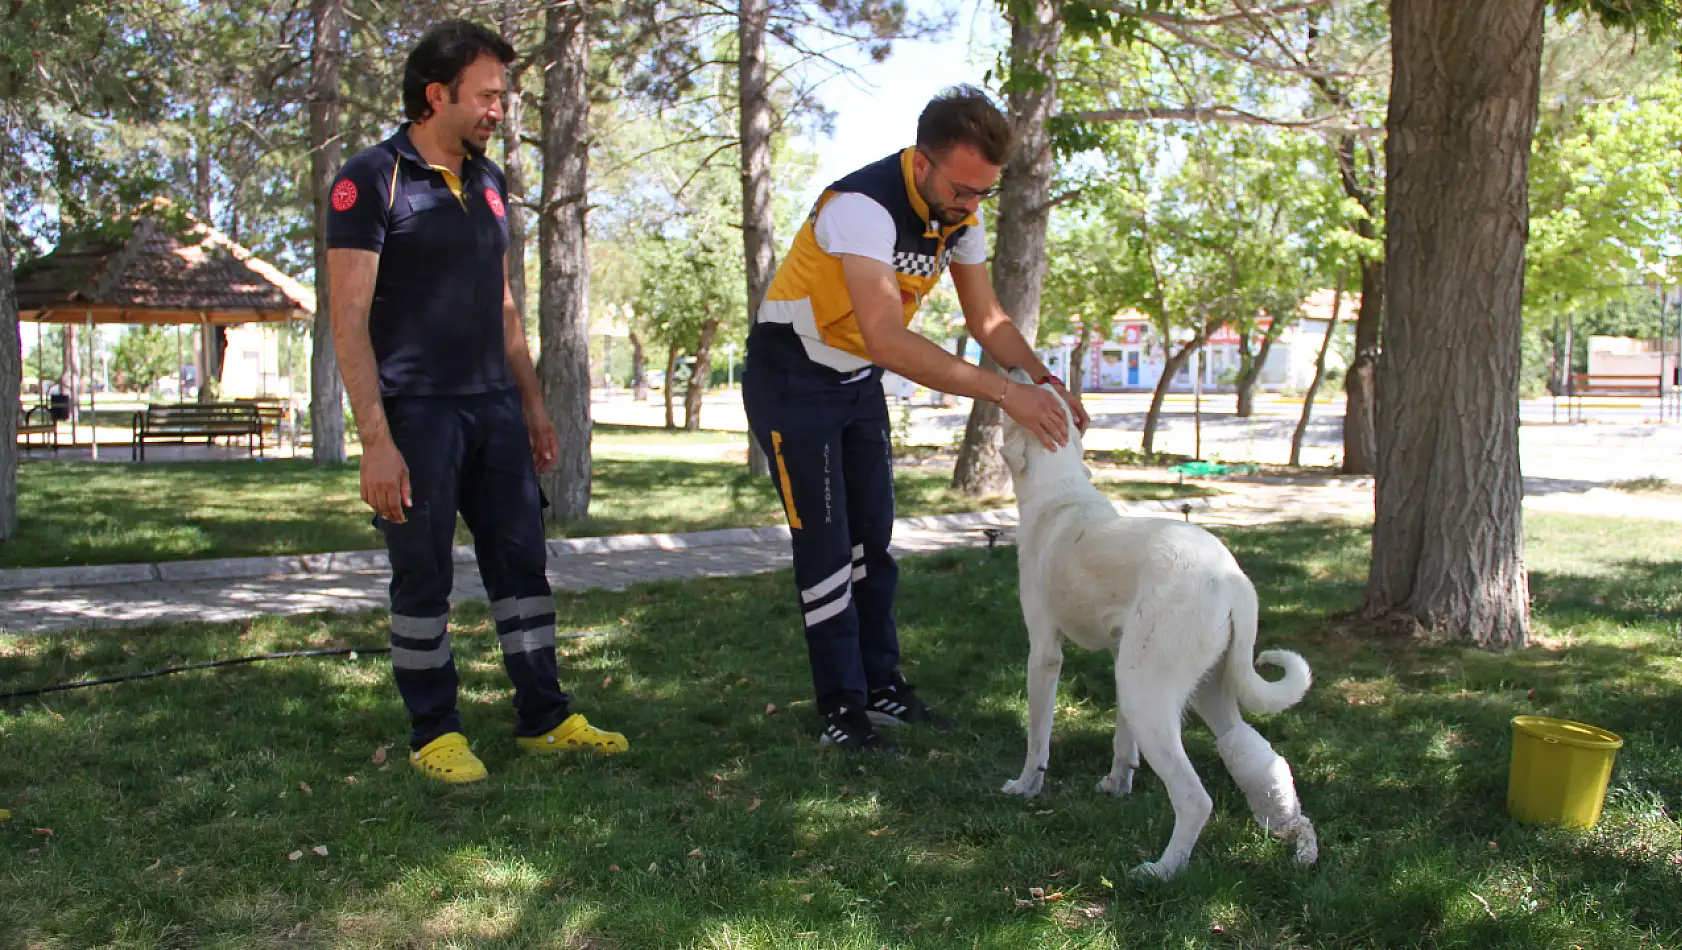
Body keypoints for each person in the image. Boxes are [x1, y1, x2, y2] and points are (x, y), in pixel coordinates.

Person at [743, 85, 1090, 751]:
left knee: (873, 542)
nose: (970, 205)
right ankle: (841, 710)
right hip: (792, 376)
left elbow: (986, 319)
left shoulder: (960, 215)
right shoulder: (861, 208)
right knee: (826, 545)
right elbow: (887, 338)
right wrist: (1005, 394)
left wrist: (1044, 379)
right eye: (962, 189)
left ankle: (882, 688)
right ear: (922, 162)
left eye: (984, 193)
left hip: (854, 379)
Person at [326, 19, 626, 784]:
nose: (500, 109)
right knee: (422, 577)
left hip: (493, 409)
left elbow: (503, 307)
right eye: (488, 95)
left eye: (504, 96)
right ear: (438, 95)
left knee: (523, 567)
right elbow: (347, 320)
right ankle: (435, 732)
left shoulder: (490, 183)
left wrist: (530, 405)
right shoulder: (371, 179)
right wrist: (376, 440)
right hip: (416, 416)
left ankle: (545, 718)